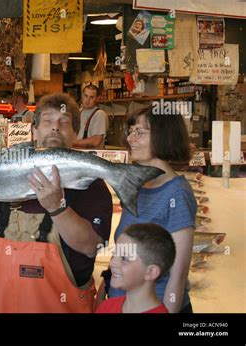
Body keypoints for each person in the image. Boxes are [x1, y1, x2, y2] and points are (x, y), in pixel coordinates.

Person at [0, 93, 113, 313]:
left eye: (64, 123)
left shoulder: (90, 183)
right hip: (5, 305)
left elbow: (90, 247)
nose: (55, 128)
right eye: (48, 121)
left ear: (75, 133)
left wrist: (57, 209)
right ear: (35, 130)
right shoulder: (7, 173)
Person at [108, 106, 196, 313]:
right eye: (131, 131)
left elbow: (178, 276)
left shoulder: (177, 193)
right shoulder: (138, 187)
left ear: (164, 136)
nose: (131, 138)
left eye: (140, 132)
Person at [96, 223, 175, 313]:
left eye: (124, 258)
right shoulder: (106, 307)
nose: (112, 263)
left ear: (151, 272)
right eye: (114, 254)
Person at [73, 85, 109, 149]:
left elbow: (96, 141)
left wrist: (73, 142)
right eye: (85, 96)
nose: (87, 100)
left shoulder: (99, 114)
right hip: (78, 154)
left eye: (91, 97)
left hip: (92, 156)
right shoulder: (78, 112)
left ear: (97, 98)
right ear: (82, 96)